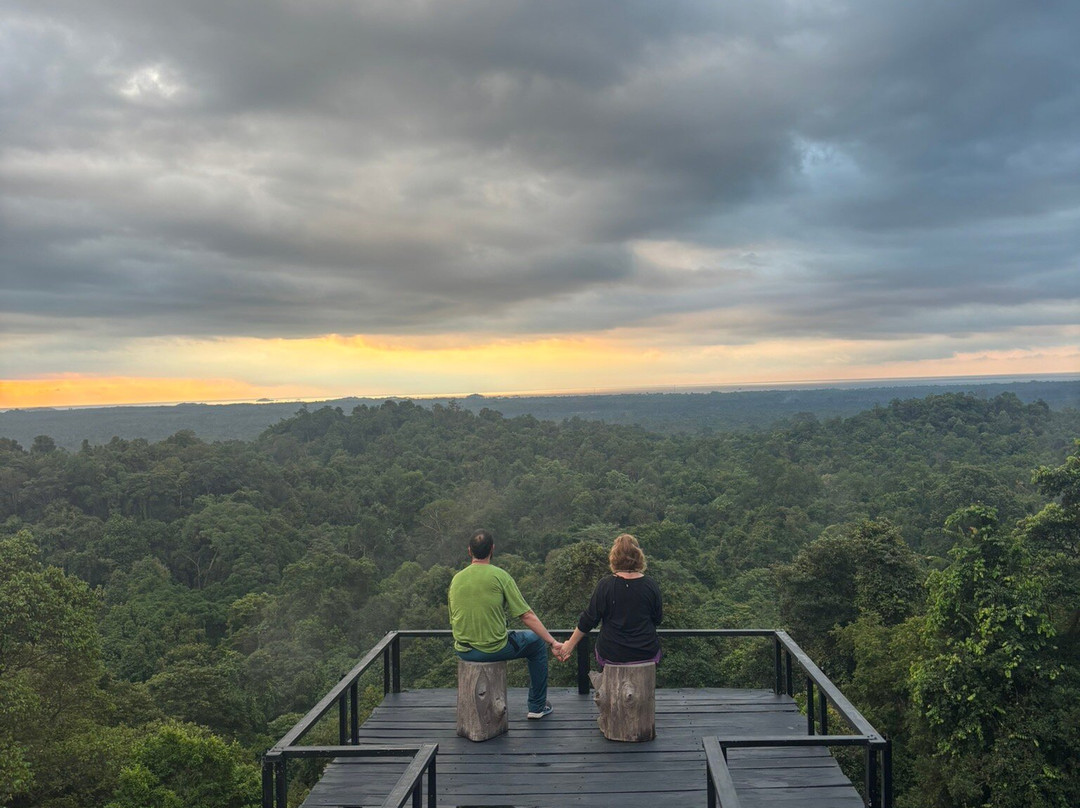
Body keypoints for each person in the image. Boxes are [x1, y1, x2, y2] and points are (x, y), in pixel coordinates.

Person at [448, 529, 563, 719]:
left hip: (464, 649)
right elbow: (526, 615)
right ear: (492, 549)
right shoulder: (500, 576)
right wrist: (553, 642)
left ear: (469, 551)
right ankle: (537, 706)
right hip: (494, 648)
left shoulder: (456, 579)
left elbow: (454, 617)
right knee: (536, 643)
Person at [555, 533, 662, 666]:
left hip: (612, 654)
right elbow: (657, 619)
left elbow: (589, 619)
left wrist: (569, 645)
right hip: (646, 654)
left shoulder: (605, 585)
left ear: (614, 557)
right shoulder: (650, 585)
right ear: (639, 556)